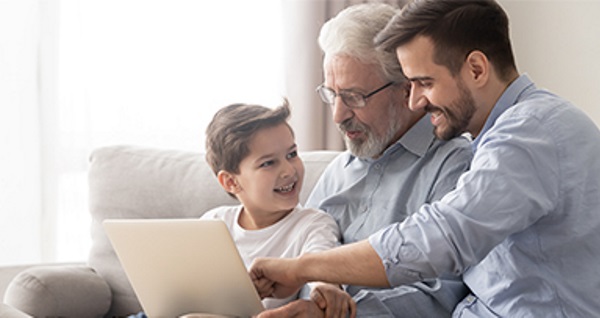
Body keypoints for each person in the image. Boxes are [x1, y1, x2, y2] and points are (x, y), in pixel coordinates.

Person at [249, 0, 600, 317]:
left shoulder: (530, 131)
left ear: (476, 69)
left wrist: (303, 268)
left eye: (425, 83)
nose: (415, 101)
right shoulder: (502, 137)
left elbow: (439, 238)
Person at [254, 3, 473, 318]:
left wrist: (340, 313)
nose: (338, 115)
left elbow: (442, 294)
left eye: (354, 97)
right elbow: (301, 253)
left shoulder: (453, 167)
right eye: (332, 94)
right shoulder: (337, 172)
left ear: (406, 90)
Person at [202, 101, 356, 316]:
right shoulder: (213, 223)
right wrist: (241, 294)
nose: (288, 170)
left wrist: (326, 287)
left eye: (292, 154)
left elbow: (321, 262)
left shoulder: (312, 224)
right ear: (231, 182)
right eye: (268, 163)